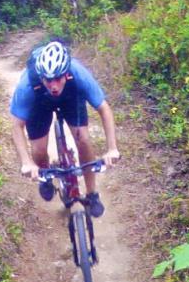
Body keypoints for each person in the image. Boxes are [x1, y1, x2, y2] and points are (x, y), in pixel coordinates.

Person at [10, 40, 120, 218]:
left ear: (66, 74)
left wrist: (112, 148)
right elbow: (17, 125)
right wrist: (26, 162)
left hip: (71, 97)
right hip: (40, 102)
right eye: (48, 80)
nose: (54, 86)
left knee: (83, 140)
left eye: (58, 79)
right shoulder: (28, 84)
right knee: (38, 150)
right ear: (41, 76)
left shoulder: (78, 74)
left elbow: (104, 109)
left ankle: (92, 194)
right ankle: (45, 176)